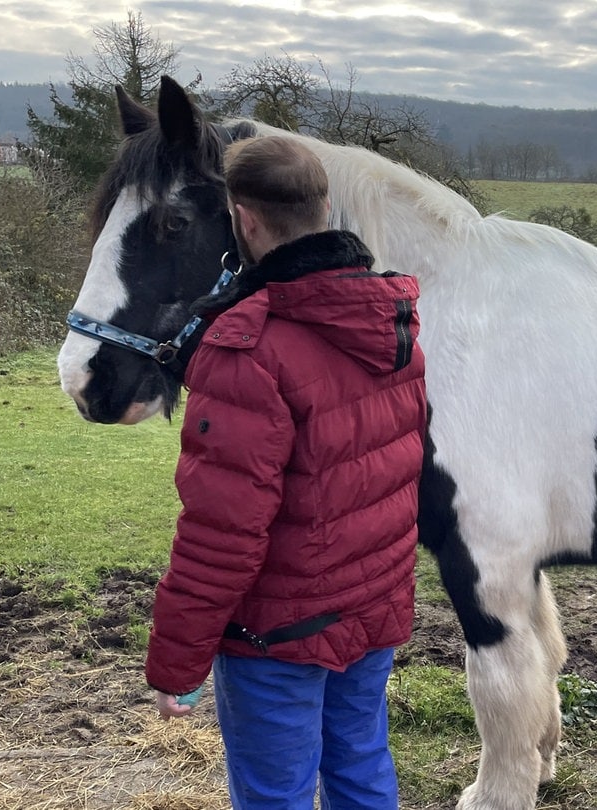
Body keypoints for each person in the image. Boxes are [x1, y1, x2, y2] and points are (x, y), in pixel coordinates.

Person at [144, 134, 427, 810]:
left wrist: (177, 664)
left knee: (276, 795)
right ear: (325, 205)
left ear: (243, 218)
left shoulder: (247, 347)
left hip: (276, 634)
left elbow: (222, 531)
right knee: (361, 768)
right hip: (371, 608)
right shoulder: (394, 325)